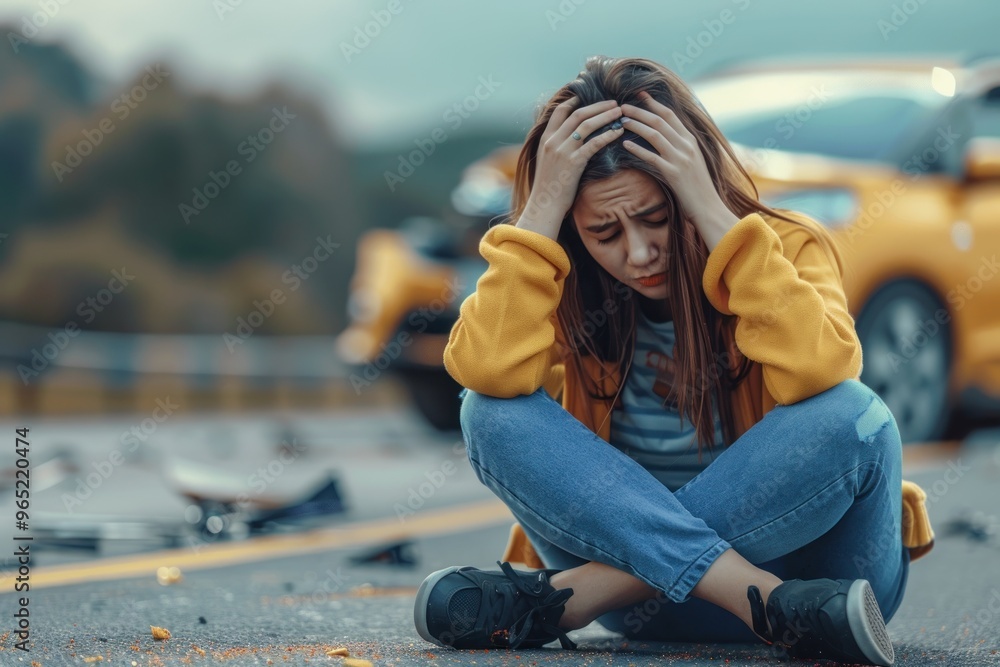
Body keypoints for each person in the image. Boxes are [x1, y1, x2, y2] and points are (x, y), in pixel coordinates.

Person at [412, 55, 934, 666]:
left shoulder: (785, 245)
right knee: (488, 413)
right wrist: (541, 213)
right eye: (604, 233)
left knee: (855, 415)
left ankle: (564, 602)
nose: (638, 252)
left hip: (822, 581)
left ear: (691, 186)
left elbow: (819, 372)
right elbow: (487, 370)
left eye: (656, 218)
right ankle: (758, 598)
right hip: (794, 614)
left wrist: (715, 215)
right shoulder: (555, 282)